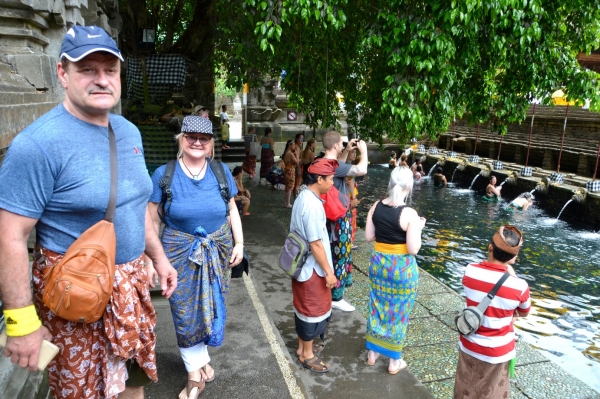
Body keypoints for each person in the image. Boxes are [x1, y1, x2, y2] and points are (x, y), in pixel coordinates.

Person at [0, 26, 178, 399]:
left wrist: (159, 259)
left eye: (109, 70)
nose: (101, 80)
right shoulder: (36, 146)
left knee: (133, 381)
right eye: (87, 69)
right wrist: (21, 323)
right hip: (77, 297)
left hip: (130, 289)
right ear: (63, 74)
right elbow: (9, 235)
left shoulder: (128, 132)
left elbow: (133, 206)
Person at [148, 116, 244, 399]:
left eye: (204, 138)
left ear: (210, 142)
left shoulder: (220, 171)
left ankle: (200, 360)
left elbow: (232, 209)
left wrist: (239, 242)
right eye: (191, 137)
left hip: (218, 249)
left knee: (210, 307)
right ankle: (193, 373)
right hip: (178, 250)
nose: (197, 143)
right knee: (184, 310)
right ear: (181, 138)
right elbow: (152, 219)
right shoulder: (163, 174)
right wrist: (150, 258)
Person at [454, 225, 531, 399]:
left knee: (465, 385)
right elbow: (524, 312)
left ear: (490, 247)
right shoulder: (519, 286)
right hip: (498, 350)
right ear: (513, 257)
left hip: (469, 343)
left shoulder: (470, 270)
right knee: (493, 391)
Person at [364, 166, 426, 374]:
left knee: (378, 305)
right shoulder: (409, 213)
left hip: (379, 265)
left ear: (390, 183)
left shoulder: (375, 206)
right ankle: (393, 362)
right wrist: (417, 227)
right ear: (410, 186)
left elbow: (369, 237)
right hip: (401, 270)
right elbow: (413, 249)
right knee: (398, 311)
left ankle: (372, 354)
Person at [290, 158, 338, 373]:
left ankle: (303, 348)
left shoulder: (305, 196)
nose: (332, 184)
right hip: (312, 269)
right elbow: (316, 244)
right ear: (319, 179)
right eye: (331, 180)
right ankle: (307, 355)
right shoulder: (311, 204)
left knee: (304, 308)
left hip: (304, 267)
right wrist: (329, 272)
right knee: (312, 310)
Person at [322, 132, 369, 312]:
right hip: (339, 217)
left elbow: (340, 165)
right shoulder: (333, 165)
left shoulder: (325, 162)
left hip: (331, 215)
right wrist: (363, 152)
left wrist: (347, 151)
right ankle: (336, 297)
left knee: (336, 252)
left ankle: (334, 289)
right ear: (335, 146)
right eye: (342, 144)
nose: (343, 146)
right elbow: (362, 169)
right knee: (340, 254)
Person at [282, 140, 301, 208]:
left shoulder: (286, 153)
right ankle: (288, 203)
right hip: (290, 171)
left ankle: (286, 202)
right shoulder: (290, 153)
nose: (294, 146)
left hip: (287, 170)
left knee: (287, 187)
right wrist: (296, 155)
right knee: (290, 187)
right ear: (289, 145)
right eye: (293, 145)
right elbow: (297, 162)